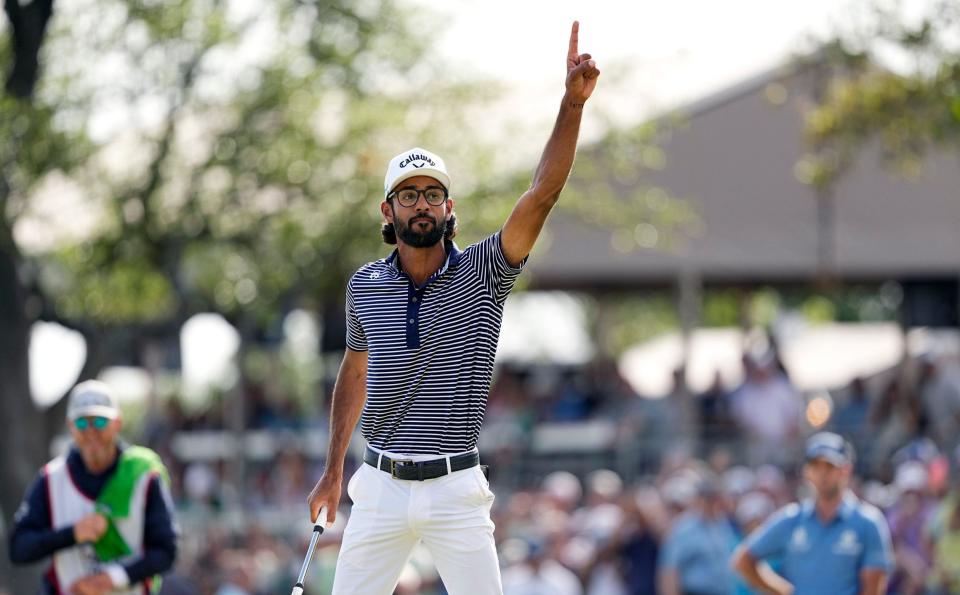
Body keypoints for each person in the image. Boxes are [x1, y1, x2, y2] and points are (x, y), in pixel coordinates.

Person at [306, 21, 600, 595]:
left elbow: (542, 193)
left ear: (449, 207)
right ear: (388, 212)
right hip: (381, 483)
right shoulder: (363, 285)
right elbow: (356, 368)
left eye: (433, 194)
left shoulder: (486, 271)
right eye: (409, 195)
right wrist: (332, 470)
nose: (422, 204)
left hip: (454, 486)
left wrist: (571, 105)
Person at [8, 380, 177, 594]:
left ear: (117, 423)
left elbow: (166, 551)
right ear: (70, 426)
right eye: (81, 423)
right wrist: (73, 534)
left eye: (99, 422)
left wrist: (113, 578)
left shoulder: (144, 475)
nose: (90, 432)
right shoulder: (51, 479)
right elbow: (19, 548)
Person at [731, 432, 893, 595]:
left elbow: (873, 588)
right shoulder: (792, 519)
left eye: (830, 467)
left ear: (846, 470)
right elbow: (743, 560)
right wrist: (782, 591)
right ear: (806, 472)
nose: (823, 474)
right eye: (816, 466)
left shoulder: (867, 522)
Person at [657, 473, 737, 595]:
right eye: (709, 498)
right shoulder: (683, 528)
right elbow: (669, 570)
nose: (713, 503)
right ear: (699, 499)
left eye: (716, 497)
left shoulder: (723, 524)